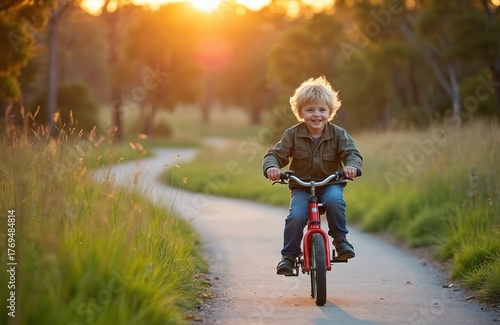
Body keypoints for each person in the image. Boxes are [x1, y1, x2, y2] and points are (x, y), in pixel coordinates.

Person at [263, 76, 363, 276]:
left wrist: (352, 166)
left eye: (321, 110)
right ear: (300, 113)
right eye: (310, 110)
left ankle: (340, 241)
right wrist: (272, 168)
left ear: (330, 112)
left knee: (335, 200)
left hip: (330, 183)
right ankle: (289, 257)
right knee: (296, 216)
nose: (316, 115)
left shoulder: (338, 134)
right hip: (301, 186)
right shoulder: (292, 134)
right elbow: (275, 155)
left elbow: (352, 153)